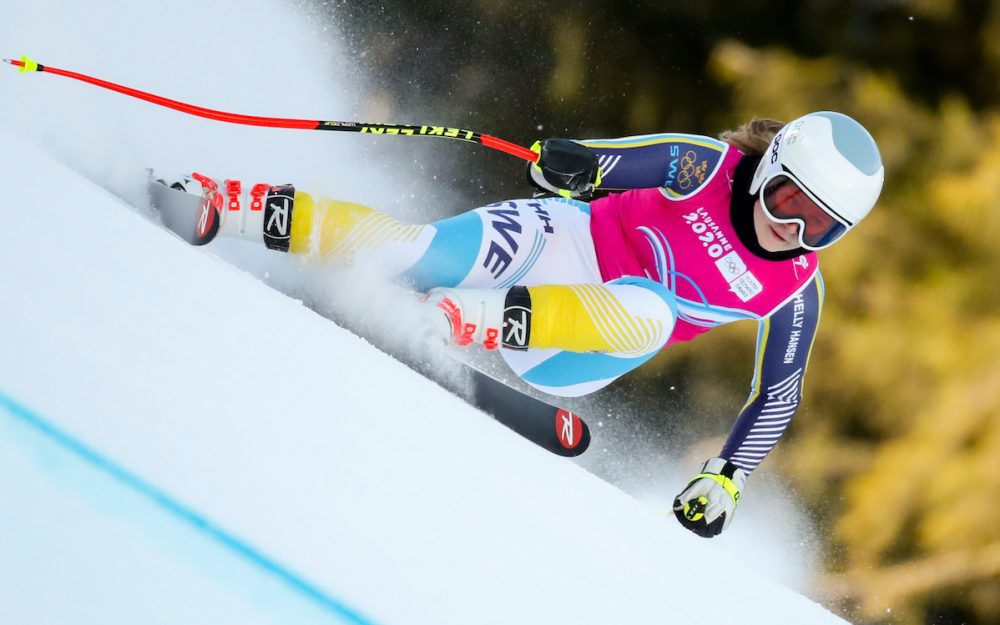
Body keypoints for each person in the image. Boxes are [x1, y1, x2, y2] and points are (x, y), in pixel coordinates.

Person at [154, 111, 884, 538]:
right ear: (769, 170)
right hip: (561, 241)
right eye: (789, 199)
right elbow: (618, 164)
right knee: (419, 251)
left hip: (578, 345)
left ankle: (456, 322)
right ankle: (230, 205)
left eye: (822, 226)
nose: (793, 227)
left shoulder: (795, 288)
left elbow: (778, 393)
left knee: (653, 312)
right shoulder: (705, 166)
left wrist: (726, 476)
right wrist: (573, 169)